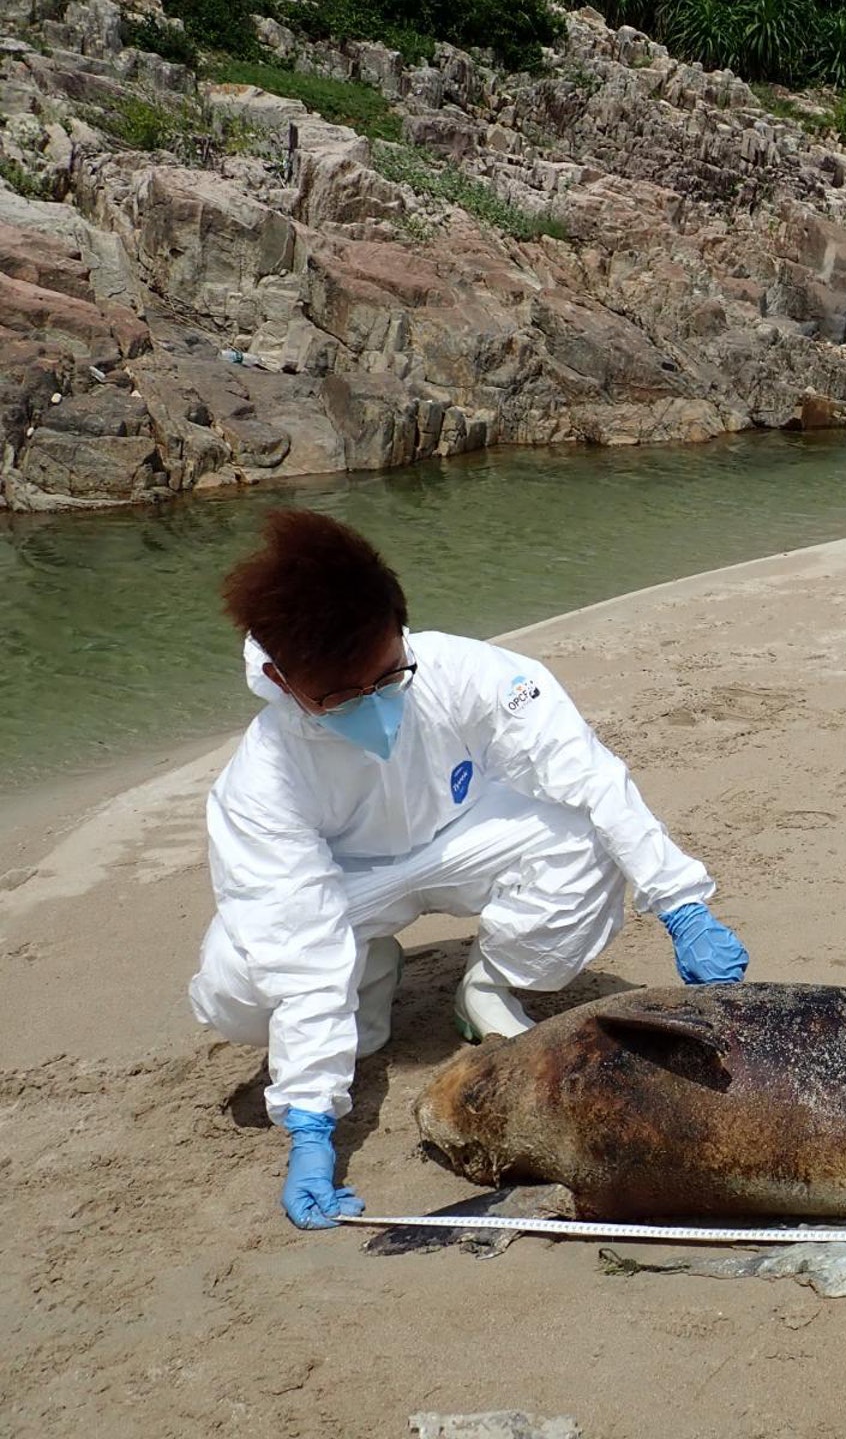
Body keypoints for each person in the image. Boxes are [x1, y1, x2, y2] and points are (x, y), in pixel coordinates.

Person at [188, 510, 750, 1230]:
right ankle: (365, 974)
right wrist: (309, 1123)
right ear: (280, 679)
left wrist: (682, 905)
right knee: (236, 985)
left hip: (465, 841)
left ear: (402, 627)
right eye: (340, 697)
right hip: (344, 890)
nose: (374, 705)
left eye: (389, 677)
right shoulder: (263, 780)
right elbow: (295, 938)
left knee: (582, 836)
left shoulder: (471, 674)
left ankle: (487, 985)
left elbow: (590, 778)